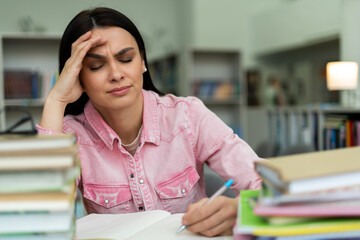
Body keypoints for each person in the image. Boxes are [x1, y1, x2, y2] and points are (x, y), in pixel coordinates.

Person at [37, 7, 262, 237]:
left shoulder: (187, 116)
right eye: (97, 66)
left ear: (142, 62)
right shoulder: (71, 136)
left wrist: (239, 210)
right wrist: (56, 100)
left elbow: (268, 186)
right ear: (77, 76)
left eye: (126, 59)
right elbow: (42, 219)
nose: (116, 74)